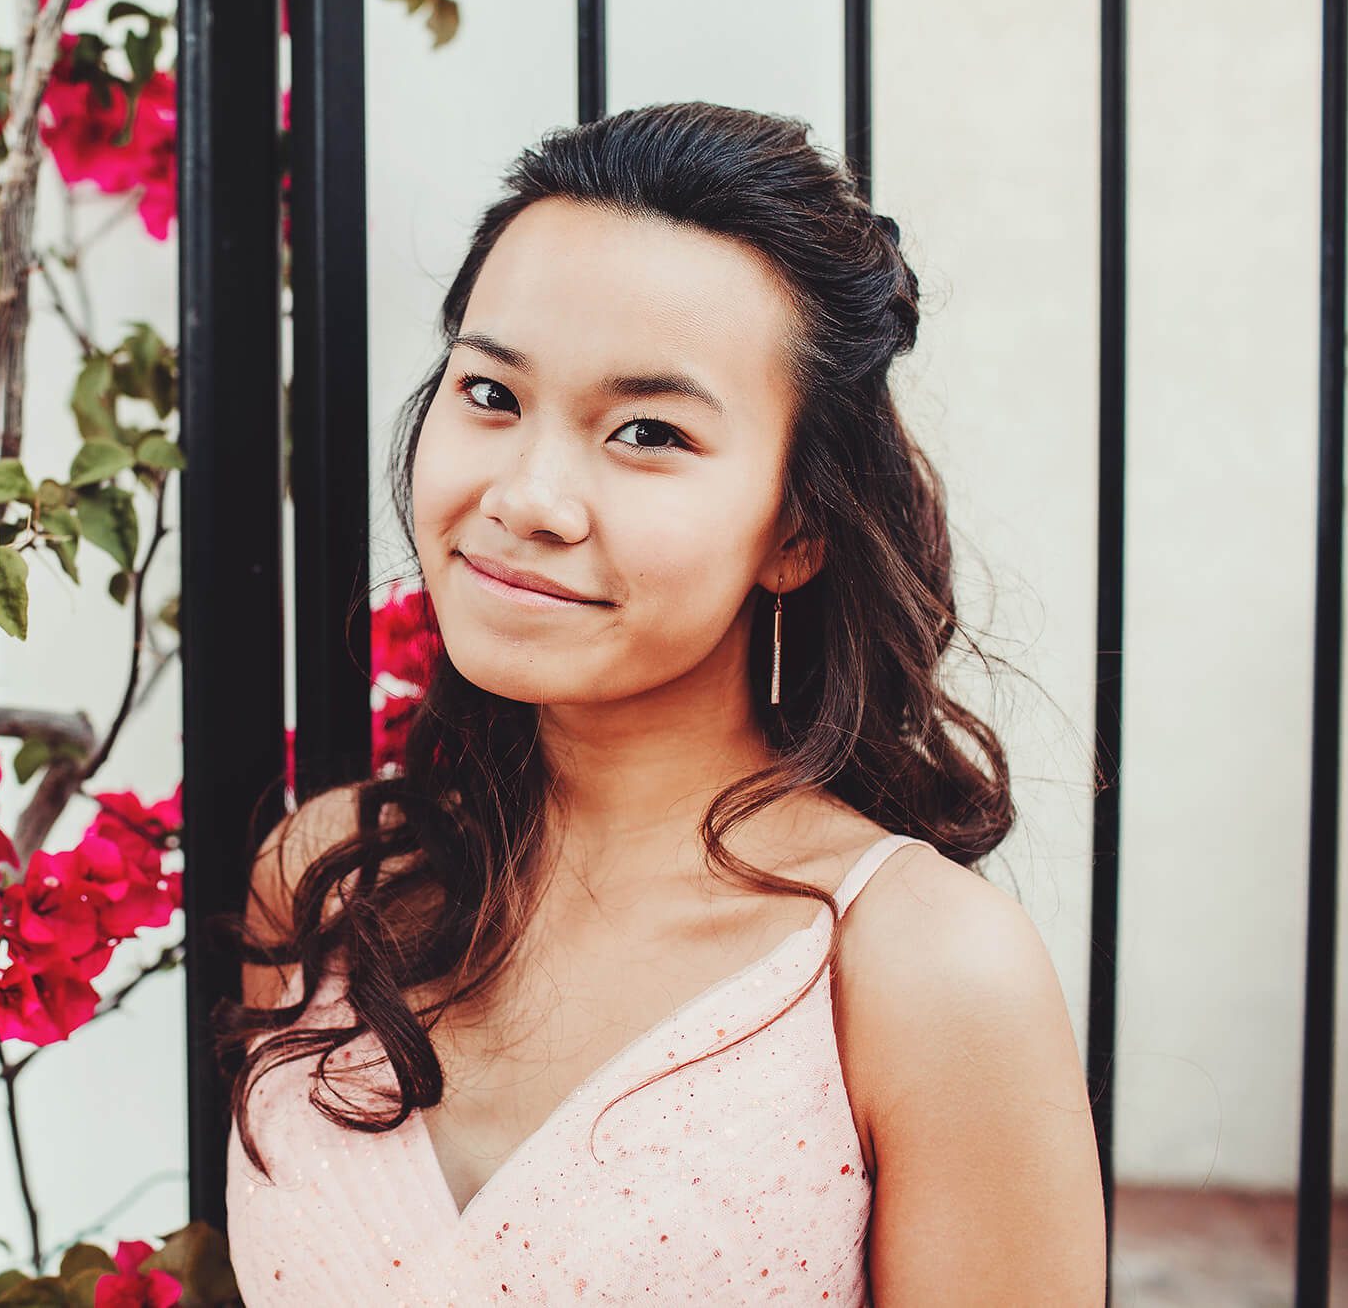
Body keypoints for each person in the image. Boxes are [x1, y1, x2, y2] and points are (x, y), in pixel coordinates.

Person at [215, 100, 1105, 1305]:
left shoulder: (916, 971)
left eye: (646, 431)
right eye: (489, 395)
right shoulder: (332, 880)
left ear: (796, 526)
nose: (527, 495)